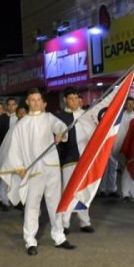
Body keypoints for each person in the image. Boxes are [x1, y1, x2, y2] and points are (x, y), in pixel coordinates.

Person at [0, 88, 75, 255]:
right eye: (32, 100)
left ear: (42, 101)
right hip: (34, 170)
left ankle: (59, 236)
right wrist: (19, 167)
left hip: (52, 167)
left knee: (55, 203)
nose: (36, 103)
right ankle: (30, 240)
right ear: (27, 101)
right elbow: (14, 149)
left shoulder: (48, 118)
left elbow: (60, 125)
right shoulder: (21, 124)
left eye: (38, 100)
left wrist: (61, 133)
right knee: (32, 206)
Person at [55, 87, 94, 234]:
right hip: (68, 160)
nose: (74, 102)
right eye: (71, 99)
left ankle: (85, 221)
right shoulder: (59, 117)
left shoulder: (86, 115)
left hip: (85, 159)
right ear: (65, 100)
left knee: (84, 190)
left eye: (76, 98)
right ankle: (65, 223)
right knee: (68, 190)